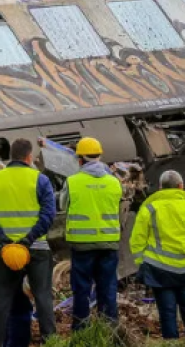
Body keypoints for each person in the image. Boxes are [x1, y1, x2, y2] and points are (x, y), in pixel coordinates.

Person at [0, 138, 57, 346]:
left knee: (2, 300)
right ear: (29, 157)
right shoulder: (40, 179)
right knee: (43, 298)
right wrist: (29, 238)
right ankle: (50, 341)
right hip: (36, 248)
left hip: (5, 250)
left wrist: (2, 237)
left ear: (11, 156)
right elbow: (49, 214)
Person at [130, 170, 185, 340]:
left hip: (158, 269)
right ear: (181, 186)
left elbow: (137, 239)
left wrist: (142, 262)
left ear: (160, 187)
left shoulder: (149, 208)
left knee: (167, 313)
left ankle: (170, 343)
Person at [60, 137, 121, 331]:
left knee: (81, 289)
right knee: (108, 288)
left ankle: (81, 330)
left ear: (79, 159)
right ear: (100, 157)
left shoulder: (73, 182)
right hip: (108, 243)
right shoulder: (114, 182)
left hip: (82, 244)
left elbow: (62, 205)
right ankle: (109, 330)